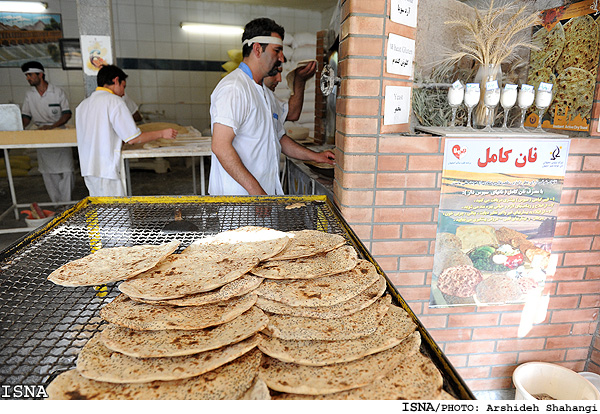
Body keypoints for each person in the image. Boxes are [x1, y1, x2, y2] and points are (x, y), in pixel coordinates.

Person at [209, 18, 334, 196]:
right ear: (258, 49)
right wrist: (255, 190)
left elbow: (279, 137)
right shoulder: (234, 88)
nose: (281, 58)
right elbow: (220, 146)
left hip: (263, 196)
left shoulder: (264, 93)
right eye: (277, 50)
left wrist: (316, 156)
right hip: (239, 198)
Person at [75, 65, 178, 197]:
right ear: (116, 80)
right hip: (106, 170)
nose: (123, 92)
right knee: (116, 214)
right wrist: (163, 133)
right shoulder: (114, 101)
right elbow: (133, 138)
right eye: (123, 86)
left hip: (89, 169)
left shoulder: (83, 105)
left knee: (101, 212)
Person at [20, 61, 75, 204]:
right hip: (41, 134)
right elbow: (26, 116)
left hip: (59, 132)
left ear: (40, 74)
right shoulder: (29, 95)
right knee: (48, 172)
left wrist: (52, 126)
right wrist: (17, 126)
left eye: (30, 75)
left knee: (67, 170)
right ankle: (56, 203)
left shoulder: (57, 92)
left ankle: (67, 204)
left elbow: (67, 114)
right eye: (27, 76)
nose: (28, 78)